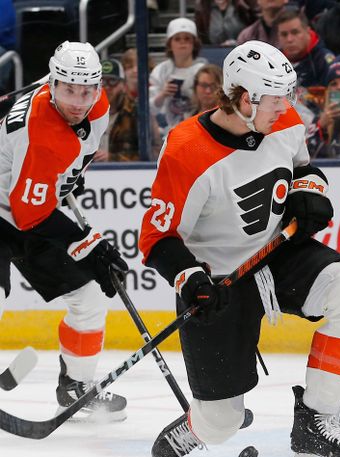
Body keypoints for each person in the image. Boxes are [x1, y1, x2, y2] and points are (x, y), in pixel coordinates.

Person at [139, 41, 340, 457]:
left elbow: (302, 167)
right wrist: (190, 278)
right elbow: (156, 237)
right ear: (245, 98)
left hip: (279, 253)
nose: (287, 106)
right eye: (276, 97)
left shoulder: (282, 119)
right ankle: (199, 425)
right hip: (219, 281)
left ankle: (314, 423)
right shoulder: (185, 151)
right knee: (222, 422)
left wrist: (310, 190)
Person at [0, 41, 129, 420]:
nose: (78, 100)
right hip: (14, 211)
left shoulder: (98, 108)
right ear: (53, 84)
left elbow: (66, 164)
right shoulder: (40, 130)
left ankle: (76, 387)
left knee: (88, 298)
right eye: (69, 90)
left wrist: (67, 179)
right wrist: (89, 244)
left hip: (27, 205)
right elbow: (28, 214)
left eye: (86, 90)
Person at [95, 59, 162, 162]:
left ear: (123, 85)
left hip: (126, 175)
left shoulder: (139, 113)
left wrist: (113, 158)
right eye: (102, 82)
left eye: (113, 81)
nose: (107, 87)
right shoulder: (83, 113)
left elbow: (156, 152)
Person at [149, 18, 207, 135]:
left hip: (199, 130)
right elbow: (150, 109)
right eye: (177, 39)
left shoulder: (203, 70)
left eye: (187, 38)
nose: (182, 42)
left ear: (194, 43)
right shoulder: (160, 71)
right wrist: (163, 94)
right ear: (169, 44)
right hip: (167, 132)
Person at [307, 56, 340, 158]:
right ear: (328, 89)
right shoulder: (319, 120)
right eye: (334, 84)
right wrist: (320, 127)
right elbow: (307, 158)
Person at [275, 8, 336, 89]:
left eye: (295, 32)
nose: (289, 39)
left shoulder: (324, 60)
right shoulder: (274, 62)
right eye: (284, 34)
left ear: (308, 31)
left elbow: (336, 97)